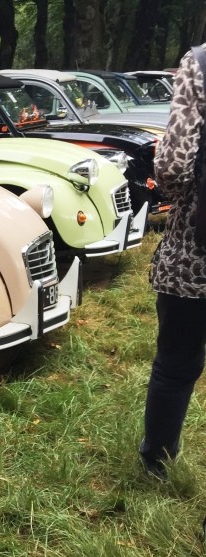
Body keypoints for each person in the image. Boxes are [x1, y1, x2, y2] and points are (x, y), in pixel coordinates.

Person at [141, 44, 206, 479]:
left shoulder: (200, 63)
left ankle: (157, 464)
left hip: (197, 258)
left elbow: (174, 166)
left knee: (177, 363)